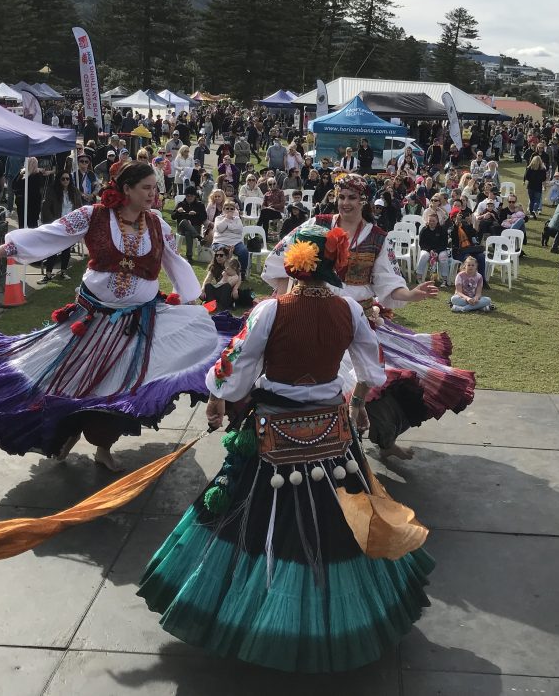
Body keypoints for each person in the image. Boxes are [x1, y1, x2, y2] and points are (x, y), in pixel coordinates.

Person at [138, 222, 433, 672]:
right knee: (340, 523)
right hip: (330, 432)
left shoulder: (270, 310)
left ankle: (250, 615)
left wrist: (218, 396)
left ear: (295, 264)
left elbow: (236, 363)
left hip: (275, 428)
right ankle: (336, 621)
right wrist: (356, 405)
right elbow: (371, 367)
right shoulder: (350, 309)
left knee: (251, 519)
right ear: (332, 265)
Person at [0, 162, 226, 472]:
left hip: (136, 322)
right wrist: (1, 252)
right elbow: (51, 234)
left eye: (156, 188)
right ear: (126, 189)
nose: (154, 194)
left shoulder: (156, 224)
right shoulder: (94, 215)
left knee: (118, 384)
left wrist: (191, 298)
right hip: (93, 319)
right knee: (73, 381)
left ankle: (103, 446)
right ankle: (65, 433)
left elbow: (173, 261)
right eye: (146, 187)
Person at [262, 173, 476, 460]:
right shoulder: (318, 225)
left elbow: (388, 282)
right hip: (317, 313)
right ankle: (324, 445)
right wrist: (286, 297)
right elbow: (281, 259)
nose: (346, 203)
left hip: (359, 317)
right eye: (342, 197)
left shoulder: (377, 237)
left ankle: (384, 440)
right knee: (323, 380)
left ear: (364, 201)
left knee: (379, 380)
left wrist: (412, 294)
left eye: (352, 198)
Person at [38, 170, 85, 281]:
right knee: (53, 249)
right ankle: (48, 273)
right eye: (63, 179)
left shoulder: (74, 192)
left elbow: (79, 208)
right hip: (56, 224)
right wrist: (52, 223)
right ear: (59, 180)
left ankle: (63, 272)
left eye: (67, 179)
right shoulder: (52, 191)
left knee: (66, 249)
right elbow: (46, 208)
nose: (65, 181)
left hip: (70, 224)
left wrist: (77, 223)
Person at [171, 186, 208, 263]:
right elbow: (173, 217)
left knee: (189, 232)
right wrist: (178, 211)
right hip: (182, 228)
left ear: (195, 196)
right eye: (188, 196)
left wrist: (196, 214)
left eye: (192, 196)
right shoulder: (180, 204)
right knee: (184, 221)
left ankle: (189, 256)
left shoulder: (200, 205)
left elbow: (204, 217)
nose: (189, 197)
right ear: (185, 196)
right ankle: (199, 238)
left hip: (195, 227)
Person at [416, 211, 452, 284]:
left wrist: (436, 251)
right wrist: (430, 250)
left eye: (433, 221)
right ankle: (419, 277)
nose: (431, 222)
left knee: (443, 257)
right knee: (423, 256)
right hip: (427, 250)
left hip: (440, 250)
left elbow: (444, 244)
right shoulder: (424, 230)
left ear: (437, 221)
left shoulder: (442, 230)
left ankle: (444, 279)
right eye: (430, 221)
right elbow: (421, 244)